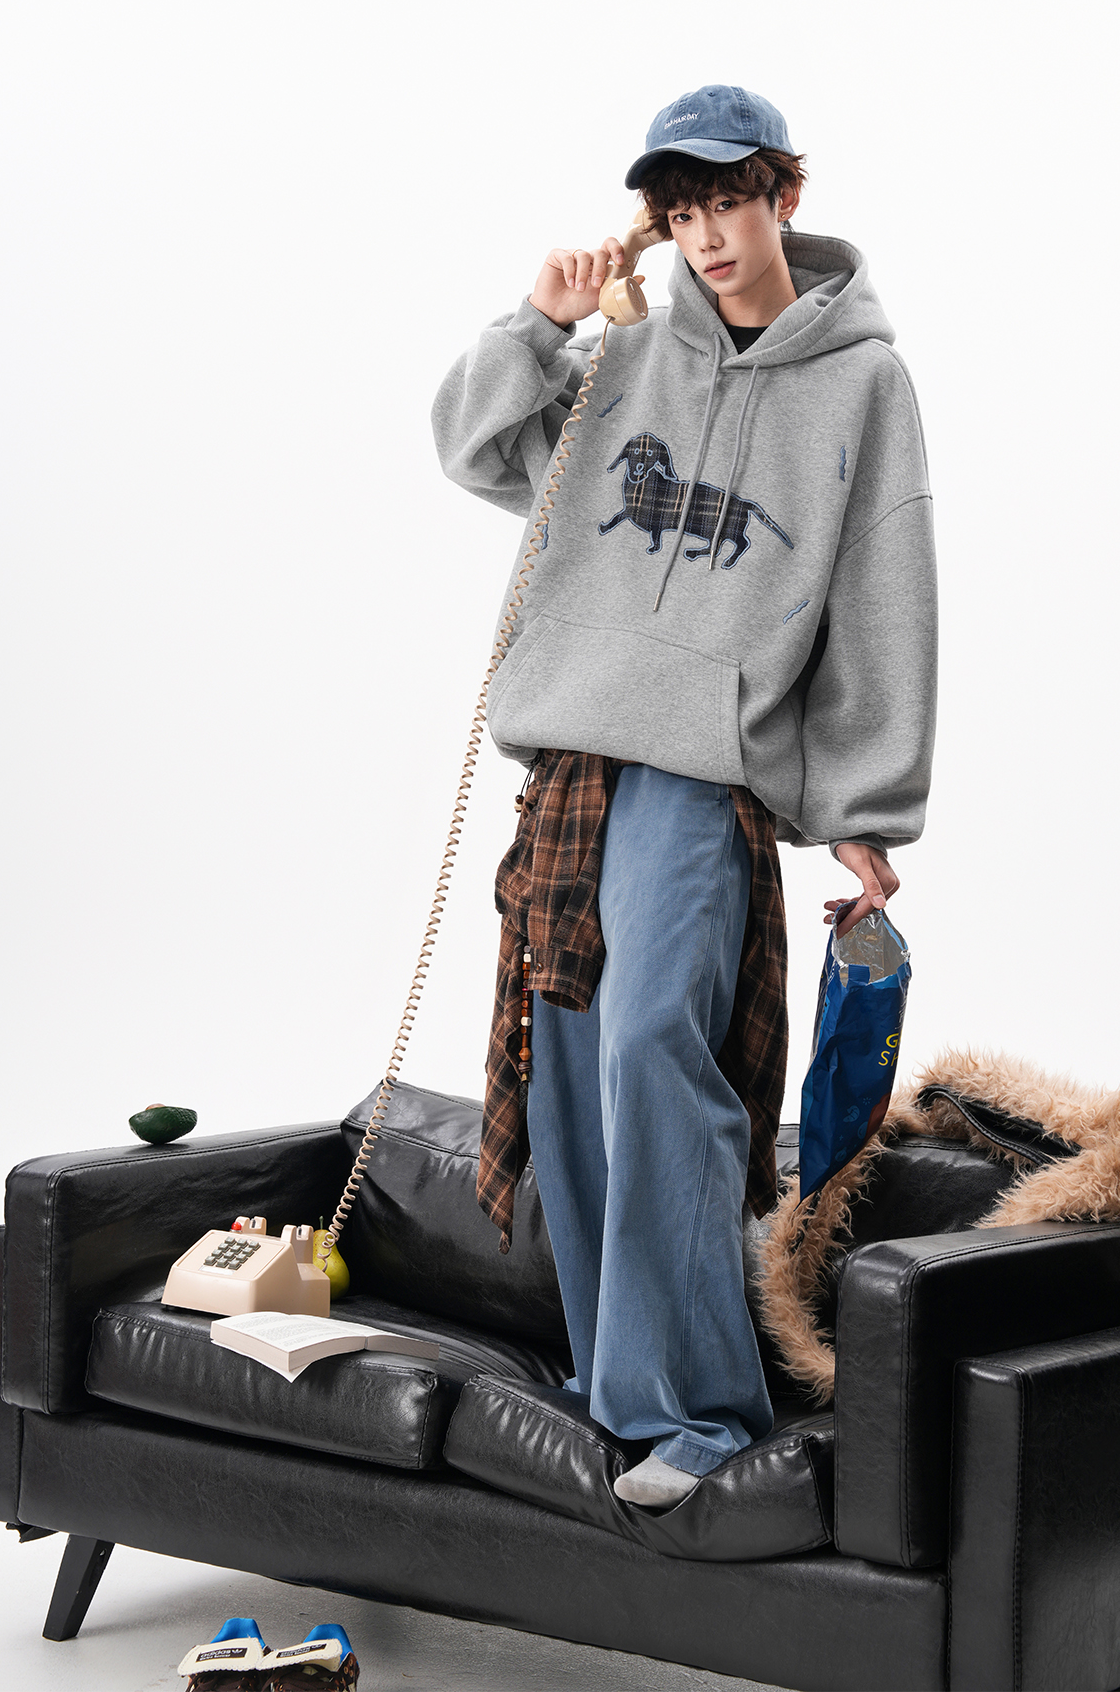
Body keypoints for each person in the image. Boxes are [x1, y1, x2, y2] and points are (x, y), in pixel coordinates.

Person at [431, 85, 936, 1507]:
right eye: (685, 211)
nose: (710, 235)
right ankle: (619, 1395)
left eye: (731, 202)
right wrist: (539, 322)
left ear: (784, 196)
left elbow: (881, 589)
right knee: (576, 1074)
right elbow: (472, 449)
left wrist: (868, 802)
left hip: (705, 772)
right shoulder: (621, 352)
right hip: (572, 761)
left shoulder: (863, 383)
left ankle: (705, 1414)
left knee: (658, 1045)